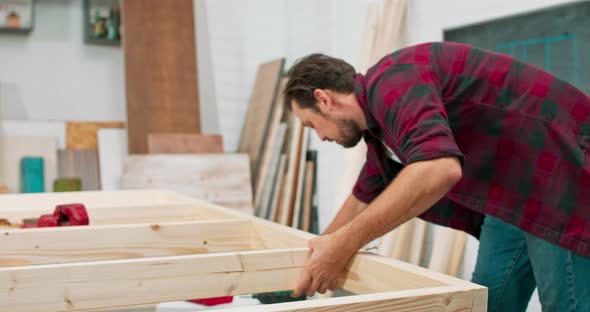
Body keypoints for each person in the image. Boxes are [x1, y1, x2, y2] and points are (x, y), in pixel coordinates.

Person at [284, 41, 590, 312]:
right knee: (488, 301)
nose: (320, 137)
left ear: (324, 100)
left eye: (311, 125)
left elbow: (439, 168)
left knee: (565, 305)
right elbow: (363, 196)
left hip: (557, 171)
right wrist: (315, 257)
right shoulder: (380, 130)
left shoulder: (394, 79)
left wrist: (341, 246)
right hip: (513, 193)